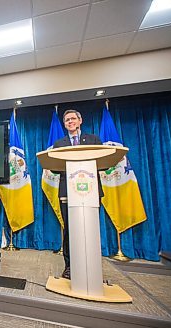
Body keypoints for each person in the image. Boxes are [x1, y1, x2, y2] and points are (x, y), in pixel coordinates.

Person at [52, 109, 102, 279]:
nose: (70, 122)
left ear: (80, 121)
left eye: (73, 119)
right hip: (67, 191)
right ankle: (69, 266)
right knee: (70, 230)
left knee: (90, 228)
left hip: (91, 191)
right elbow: (54, 167)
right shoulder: (59, 143)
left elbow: (103, 163)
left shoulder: (93, 139)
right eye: (67, 120)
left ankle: (93, 267)